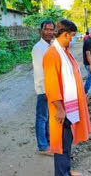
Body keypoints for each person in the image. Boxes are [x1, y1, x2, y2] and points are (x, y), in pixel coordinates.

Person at [43, 19, 91, 176]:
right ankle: (62, 173)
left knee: (67, 142)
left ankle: (66, 170)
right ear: (64, 34)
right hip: (63, 109)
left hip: (71, 107)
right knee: (62, 145)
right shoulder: (52, 54)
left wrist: (82, 98)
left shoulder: (64, 52)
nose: (72, 40)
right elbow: (51, 85)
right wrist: (59, 109)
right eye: (71, 36)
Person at [31, 20, 54, 156]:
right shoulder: (39, 48)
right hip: (44, 90)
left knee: (47, 117)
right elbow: (40, 71)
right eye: (46, 29)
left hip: (51, 88)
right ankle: (43, 146)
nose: (49, 32)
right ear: (41, 30)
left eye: (51, 30)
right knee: (41, 118)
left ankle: (48, 141)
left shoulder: (49, 46)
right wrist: (44, 90)